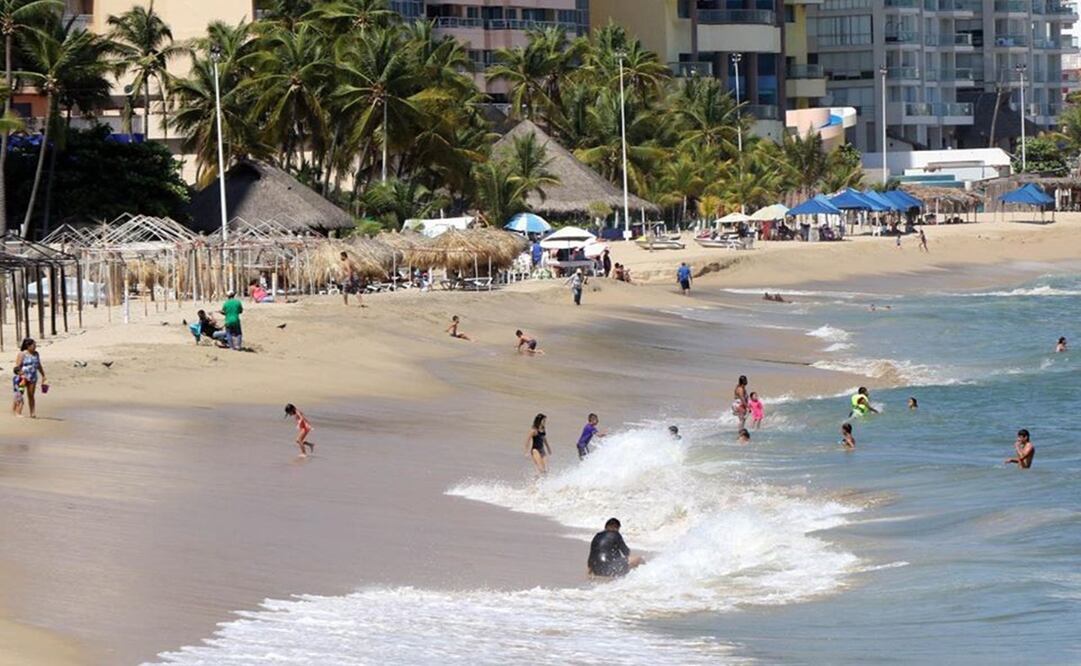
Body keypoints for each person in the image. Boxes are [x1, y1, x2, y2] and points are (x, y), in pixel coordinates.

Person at [14, 338, 46, 419]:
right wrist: (22, 375)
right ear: (28, 346)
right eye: (33, 345)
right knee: (20, 394)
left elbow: (38, 365)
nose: (35, 346)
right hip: (22, 378)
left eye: (35, 345)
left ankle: (32, 412)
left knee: (31, 395)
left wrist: (43, 375)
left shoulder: (36, 354)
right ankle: (17, 412)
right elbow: (17, 367)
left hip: (33, 377)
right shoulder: (22, 354)